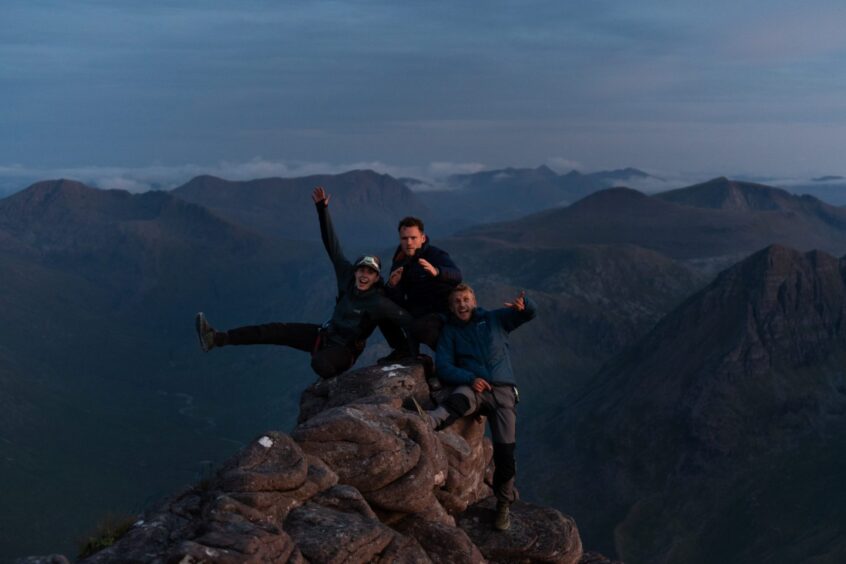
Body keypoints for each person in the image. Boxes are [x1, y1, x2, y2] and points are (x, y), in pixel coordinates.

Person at [195, 186, 413, 379]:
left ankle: (333, 385)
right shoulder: (347, 276)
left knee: (319, 363)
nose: (364, 275)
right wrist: (322, 210)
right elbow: (332, 245)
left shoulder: (378, 301)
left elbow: (406, 319)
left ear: (376, 278)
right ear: (356, 271)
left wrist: (430, 339)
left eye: (370, 272)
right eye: (362, 270)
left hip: (345, 352)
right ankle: (216, 338)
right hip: (324, 335)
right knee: (274, 331)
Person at [416, 283, 536, 531]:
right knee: (460, 399)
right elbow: (445, 366)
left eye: (466, 299)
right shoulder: (450, 332)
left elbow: (527, 315)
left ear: (474, 301)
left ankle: (503, 505)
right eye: (457, 301)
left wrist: (526, 306)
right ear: (452, 306)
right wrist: (469, 378)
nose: (462, 304)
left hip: (502, 391)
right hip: (475, 388)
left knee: (506, 456)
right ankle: (428, 421)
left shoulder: (494, 319)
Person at [379, 216, 462, 362]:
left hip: (440, 312)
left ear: (422, 238)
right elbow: (398, 300)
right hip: (416, 311)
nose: (409, 242)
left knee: (424, 328)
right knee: (379, 307)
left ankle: (453, 359)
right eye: (404, 238)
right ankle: (403, 350)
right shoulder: (399, 263)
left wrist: (437, 272)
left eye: (413, 237)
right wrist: (392, 286)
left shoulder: (435, 255)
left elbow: (457, 275)